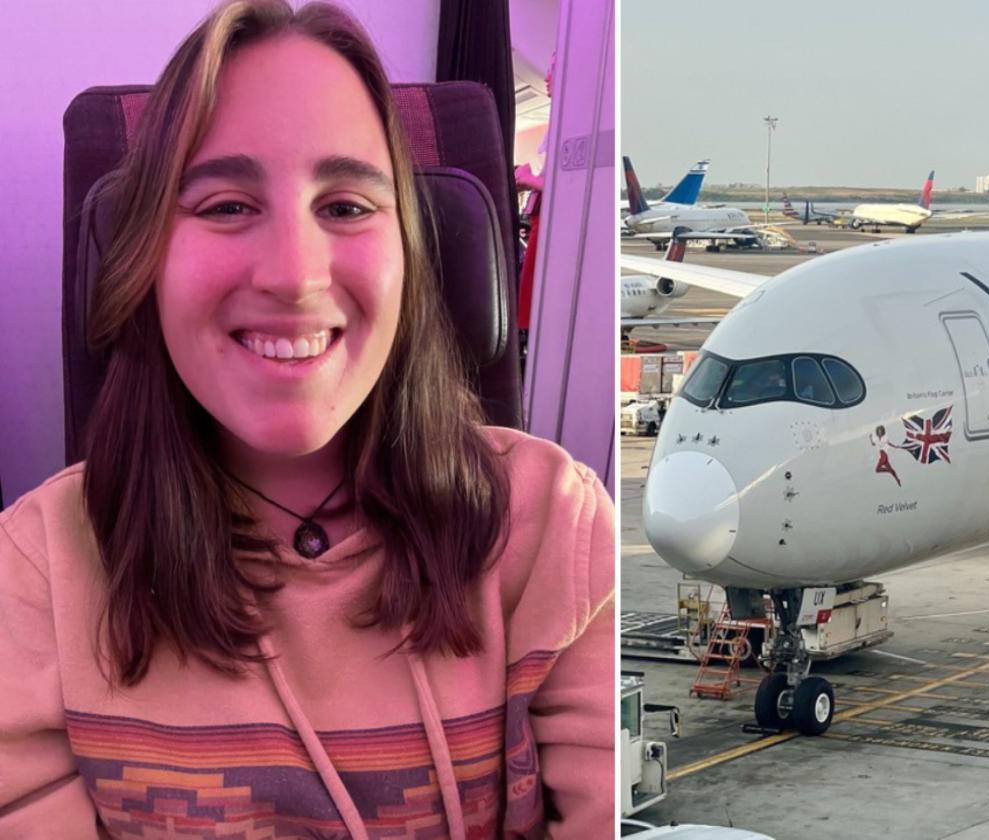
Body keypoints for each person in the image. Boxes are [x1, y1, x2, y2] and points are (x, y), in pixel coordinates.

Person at [0, 3, 613, 839]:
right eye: (224, 206)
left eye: (349, 206)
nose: (294, 275)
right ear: (144, 259)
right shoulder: (35, 573)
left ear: (411, 254)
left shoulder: (556, 533)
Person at [514, 53, 553, 335]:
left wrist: (531, 180)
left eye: (556, 68)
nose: (548, 77)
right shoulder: (560, 121)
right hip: (540, 221)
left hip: (549, 224)